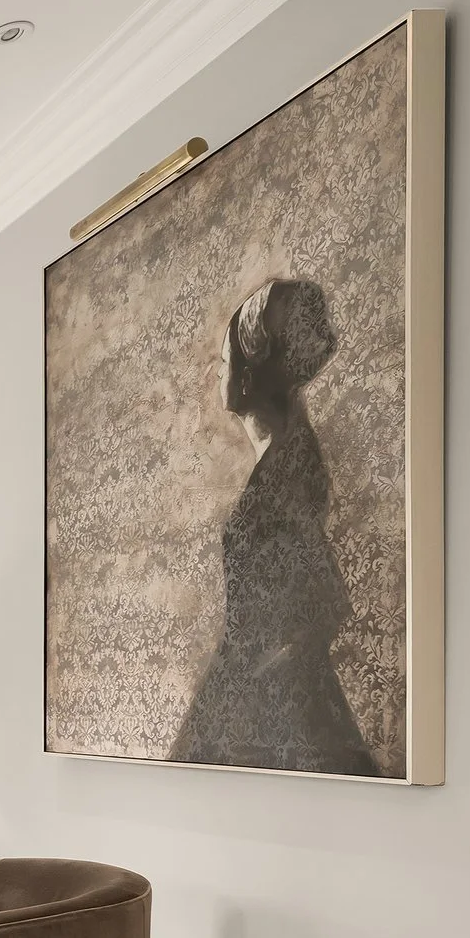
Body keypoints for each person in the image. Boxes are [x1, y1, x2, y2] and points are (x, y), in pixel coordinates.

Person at [171, 279, 381, 777]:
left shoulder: (287, 472)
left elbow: (322, 598)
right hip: (255, 684)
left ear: (246, 374)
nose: (216, 371)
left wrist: (258, 675)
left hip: (278, 699)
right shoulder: (284, 460)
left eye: (224, 362)